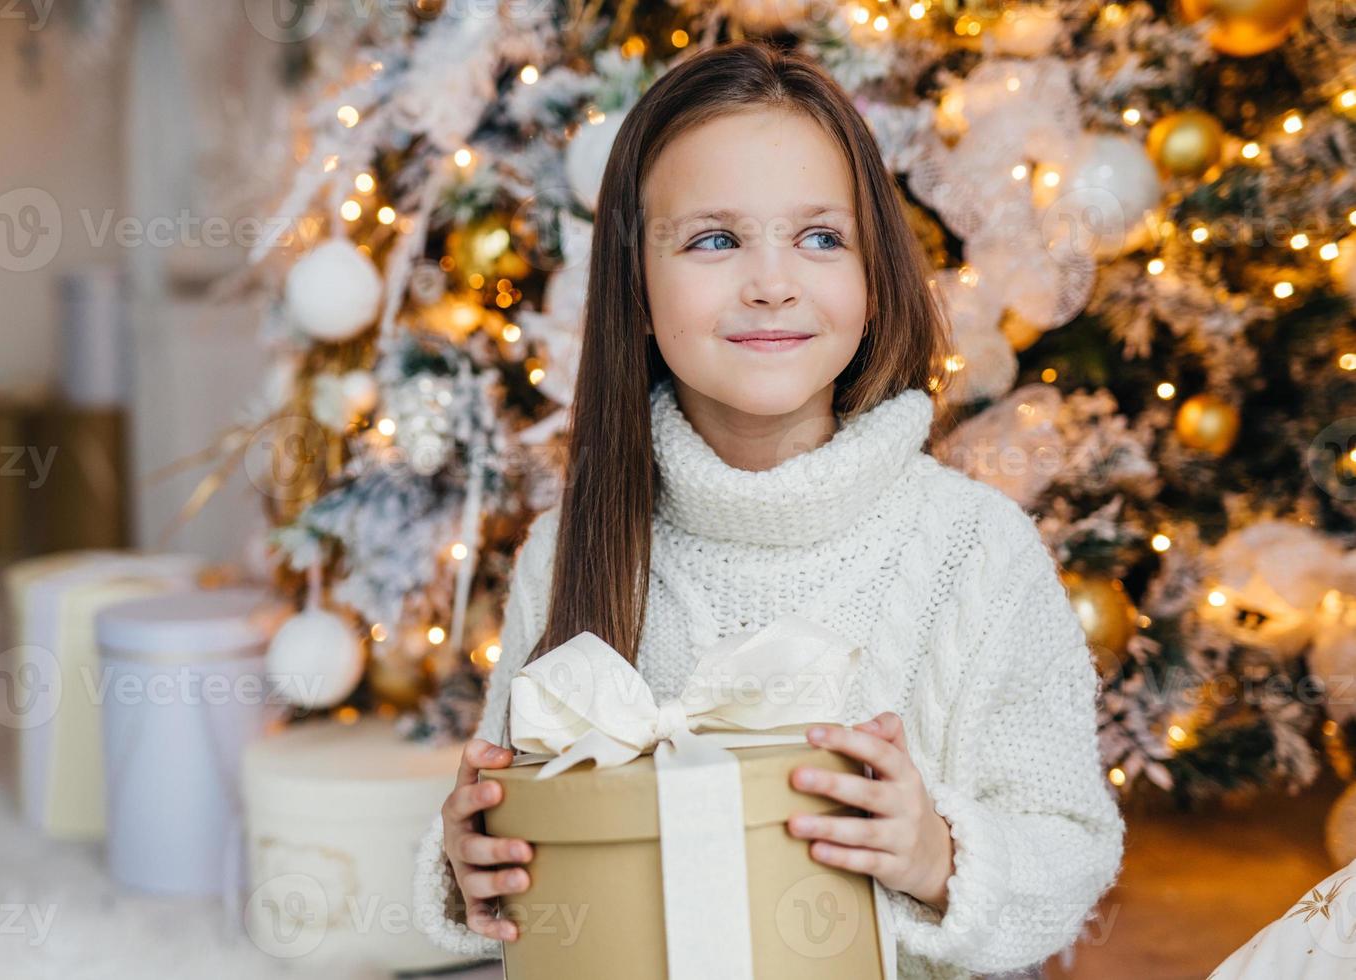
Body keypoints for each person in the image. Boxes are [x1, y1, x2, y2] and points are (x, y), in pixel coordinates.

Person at [411, 39, 1124, 979]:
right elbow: (532, 835)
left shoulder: (975, 550)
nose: (773, 281)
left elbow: (1070, 845)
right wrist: (472, 866)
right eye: (715, 239)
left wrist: (938, 855)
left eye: (821, 238)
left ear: (874, 285)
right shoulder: (570, 550)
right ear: (636, 288)